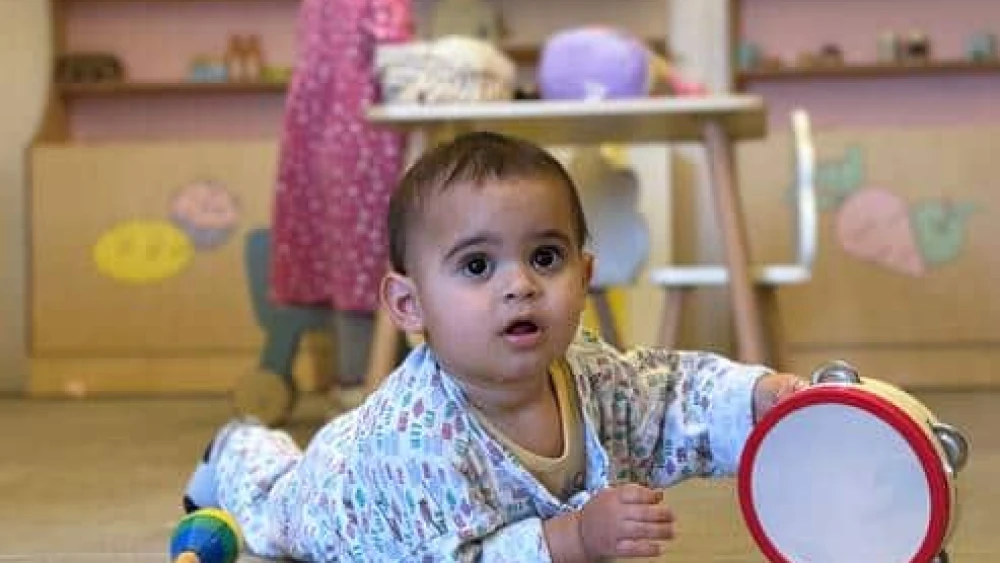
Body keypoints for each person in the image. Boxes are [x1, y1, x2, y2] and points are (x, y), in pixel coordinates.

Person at [184, 131, 807, 561]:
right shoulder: (416, 444)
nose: (520, 285)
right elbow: (449, 557)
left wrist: (757, 399)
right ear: (410, 304)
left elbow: (668, 399)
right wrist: (574, 539)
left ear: (585, 277)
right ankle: (234, 448)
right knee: (270, 499)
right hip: (340, 501)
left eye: (545, 257)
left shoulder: (589, 371)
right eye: (478, 265)